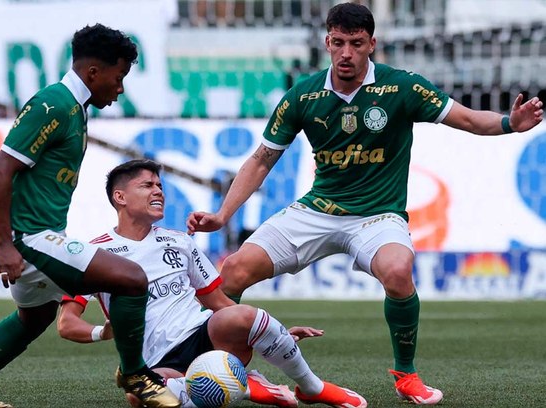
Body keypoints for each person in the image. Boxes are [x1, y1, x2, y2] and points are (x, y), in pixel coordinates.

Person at [186, 3, 544, 406]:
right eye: (338, 43)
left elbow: (466, 119)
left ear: (371, 44)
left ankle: (406, 375)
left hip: (378, 216)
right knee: (232, 270)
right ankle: (222, 366)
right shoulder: (303, 94)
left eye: (356, 44)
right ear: (327, 42)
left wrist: (509, 124)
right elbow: (261, 159)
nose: (346, 53)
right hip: (318, 210)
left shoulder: (401, 87)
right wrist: (222, 215)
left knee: (397, 269)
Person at [0, 25, 179, 408]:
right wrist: (3, 245)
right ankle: (135, 372)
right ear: (94, 73)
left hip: (41, 234)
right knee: (131, 279)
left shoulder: (75, 109)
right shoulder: (54, 104)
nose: (121, 88)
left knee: (35, 318)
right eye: (119, 77)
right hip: (29, 238)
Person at [58, 159, 368, 408]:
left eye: (160, 186)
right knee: (137, 396)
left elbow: (219, 303)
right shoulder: (93, 255)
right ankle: (243, 385)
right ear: (120, 197)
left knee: (244, 314)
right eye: (147, 185)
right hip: (157, 360)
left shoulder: (179, 241)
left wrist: (277, 331)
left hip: (205, 335)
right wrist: (103, 332)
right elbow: (67, 324)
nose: (158, 192)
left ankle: (313, 388)